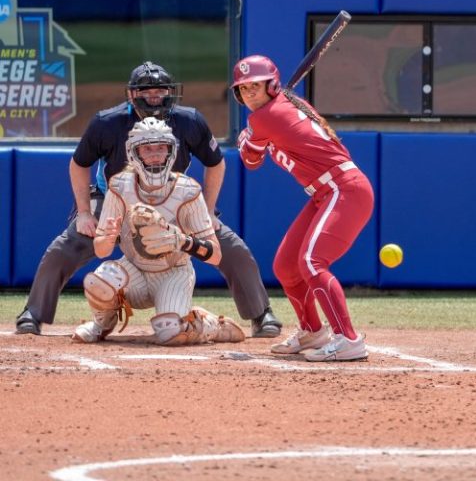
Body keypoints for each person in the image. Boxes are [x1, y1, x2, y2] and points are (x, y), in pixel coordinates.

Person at [15, 61, 281, 338]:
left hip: (172, 202)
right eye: (146, 91)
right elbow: (78, 163)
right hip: (116, 199)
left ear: (172, 92)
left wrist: (210, 211)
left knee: (229, 246)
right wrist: (84, 212)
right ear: (131, 95)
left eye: (161, 91)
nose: (155, 97)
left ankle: (261, 314)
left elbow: (216, 163)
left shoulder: (189, 121)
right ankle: (33, 313)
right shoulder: (107, 123)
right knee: (68, 244)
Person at [230, 54, 374, 362]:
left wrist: (247, 138)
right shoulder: (287, 106)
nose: (249, 93)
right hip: (326, 192)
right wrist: (255, 135)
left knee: (311, 262)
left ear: (273, 86)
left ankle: (348, 339)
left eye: (256, 86)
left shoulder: (265, 118)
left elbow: (250, 161)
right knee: (286, 266)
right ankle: (312, 330)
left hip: (343, 188)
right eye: (243, 89)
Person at [73, 117, 245, 345]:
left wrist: (182, 241)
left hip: (174, 272)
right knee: (101, 279)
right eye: (147, 148)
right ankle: (101, 324)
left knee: (170, 333)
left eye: (161, 148)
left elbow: (215, 256)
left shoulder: (188, 190)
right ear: (134, 152)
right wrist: (109, 235)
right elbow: (102, 251)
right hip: (134, 268)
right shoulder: (119, 186)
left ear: (171, 151)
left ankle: (209, 325)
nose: (155, 154)